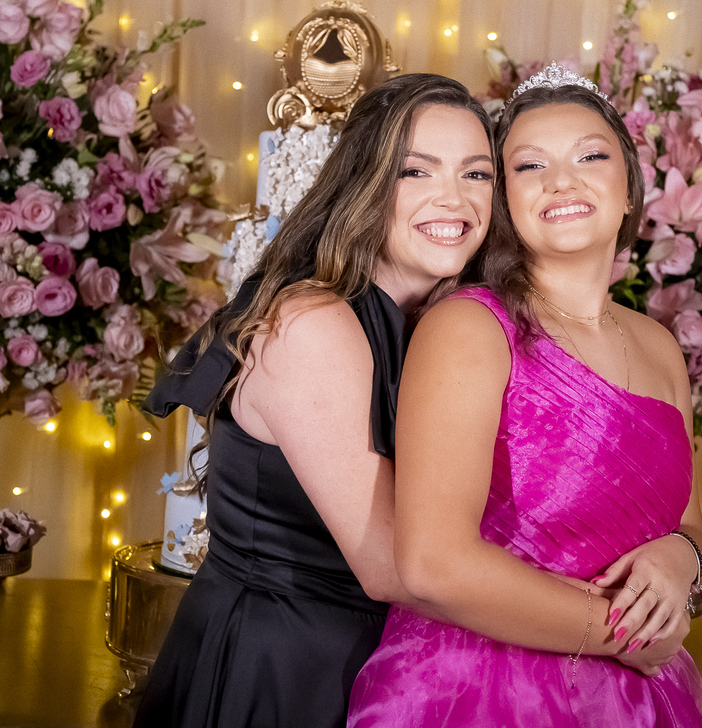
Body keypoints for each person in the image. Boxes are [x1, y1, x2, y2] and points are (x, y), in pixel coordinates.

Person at [348, 65, 702, 727]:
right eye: (529, 166)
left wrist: (682, 557)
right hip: (478, 692)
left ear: (630, 188)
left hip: (642, 701)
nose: (561, 181)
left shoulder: (660, 346)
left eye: (590, 156)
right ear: (504, 202)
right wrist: (623, 633)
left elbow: (690, 527)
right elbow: (433, 564)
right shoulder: (468, 328)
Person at [131, 73, 497, 728]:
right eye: (416, 171)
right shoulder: (312, 323)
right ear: (363, 184)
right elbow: (394, 569)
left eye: (477, 174)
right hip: (285, 672)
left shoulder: (450, 327)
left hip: (392, 669)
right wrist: (597, 618)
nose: (455, 198)